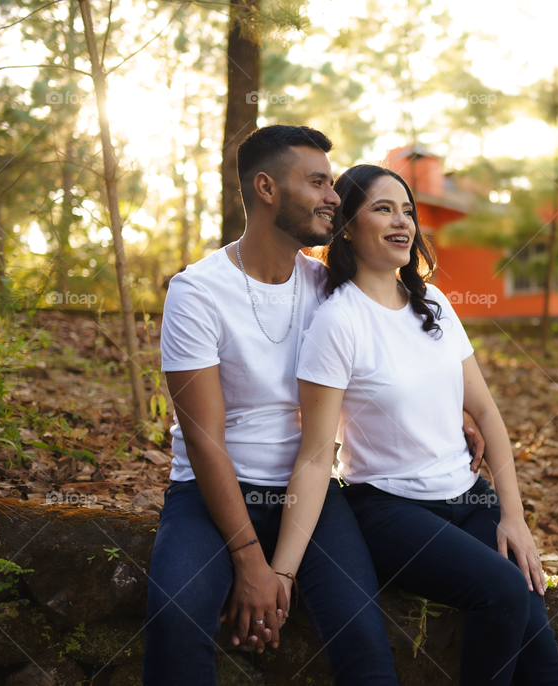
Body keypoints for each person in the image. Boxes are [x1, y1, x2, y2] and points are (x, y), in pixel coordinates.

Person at [143, 126, 485, 685]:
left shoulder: (330, 285)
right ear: (266, 188)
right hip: (210, 496)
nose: (334, 196)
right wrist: (252, 563)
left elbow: (396, 359)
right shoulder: (197, 292)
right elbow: (204, 442)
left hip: (314, 493)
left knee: (364, 643)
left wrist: (452, 416)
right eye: (319, 182)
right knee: (174, 620)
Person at [268, 164, 558, 686]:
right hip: (391, 508)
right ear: (346, 225)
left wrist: (513, 517)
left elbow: (487, 413)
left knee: (539, 646)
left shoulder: (434, 305)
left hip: (469, 497)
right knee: (500, 589)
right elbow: (318, 454)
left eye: (408, 210)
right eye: (383, 209)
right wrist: (282, 568)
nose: (402, 221)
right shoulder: (337, 322)